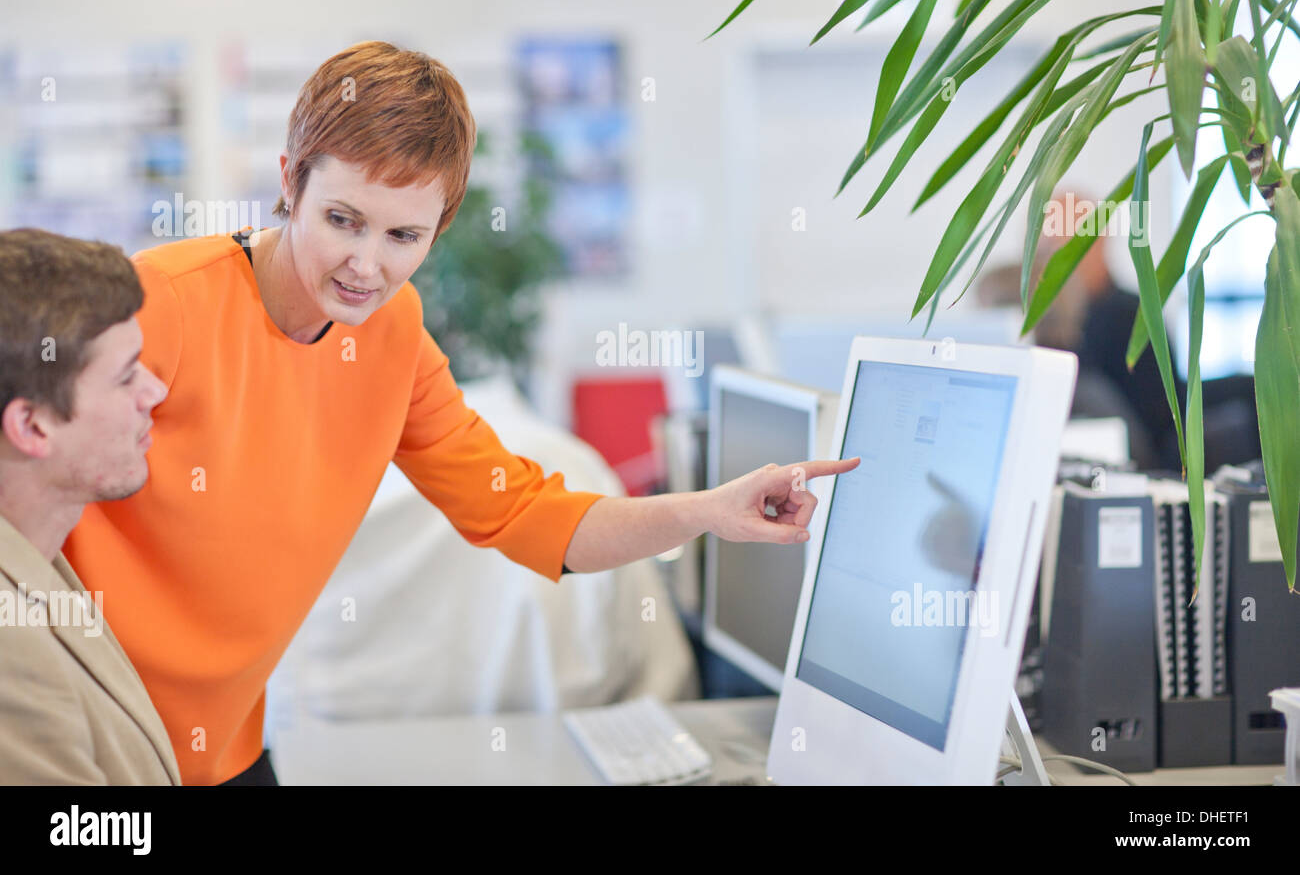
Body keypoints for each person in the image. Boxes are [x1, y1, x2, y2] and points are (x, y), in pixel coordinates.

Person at [64, 41, 857, 785]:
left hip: (223, 741)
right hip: (85, 734)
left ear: (438, 229)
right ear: (289, 180)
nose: (366, 265)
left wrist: (710, 511)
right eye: (343, 219)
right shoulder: (161, 301)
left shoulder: (394, 336)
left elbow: (526, 514)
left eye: (403, 235)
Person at [0, 228, 180, 784]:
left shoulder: (36, 552)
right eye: (126, 375)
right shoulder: (10, 648)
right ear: (32, 426)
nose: (155, 392)